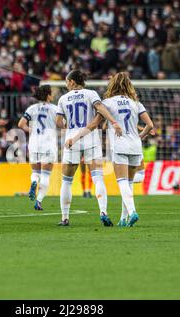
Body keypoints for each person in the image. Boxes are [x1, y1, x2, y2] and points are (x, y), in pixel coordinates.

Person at [66, 72, 154, 227]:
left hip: (120, 146)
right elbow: (150, 126)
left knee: (122, 183)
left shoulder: (107, 103)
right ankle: (122, 219)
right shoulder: (135, 103)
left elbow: (93, 125)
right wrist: (140, 136)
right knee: (129, 183)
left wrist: (75, 138)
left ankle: (132, 212)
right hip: (135, 147)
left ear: (113, 84)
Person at [56, 70, 123, 226]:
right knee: (98, 178)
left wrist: (68, 126)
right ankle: (103, 212)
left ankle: (65, 218)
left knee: (66, 181)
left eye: (67, 82)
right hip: (91, 139)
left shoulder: (63, 99)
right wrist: (113, 122)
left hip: (72, 140)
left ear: (72, 82)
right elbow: (100, 108)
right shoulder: (91, 94)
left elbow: (59, 121)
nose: (66, 85)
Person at [18, 85, 57, 211]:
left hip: (34, 142)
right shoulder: (55, 109)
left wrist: (32, 130)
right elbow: (62, 124)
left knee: (35, 172)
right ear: (48, 95)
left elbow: (21, 124)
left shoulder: (32, 108)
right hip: (48, 143)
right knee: (45, 175)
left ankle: (34, 181)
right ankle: (39, 201)